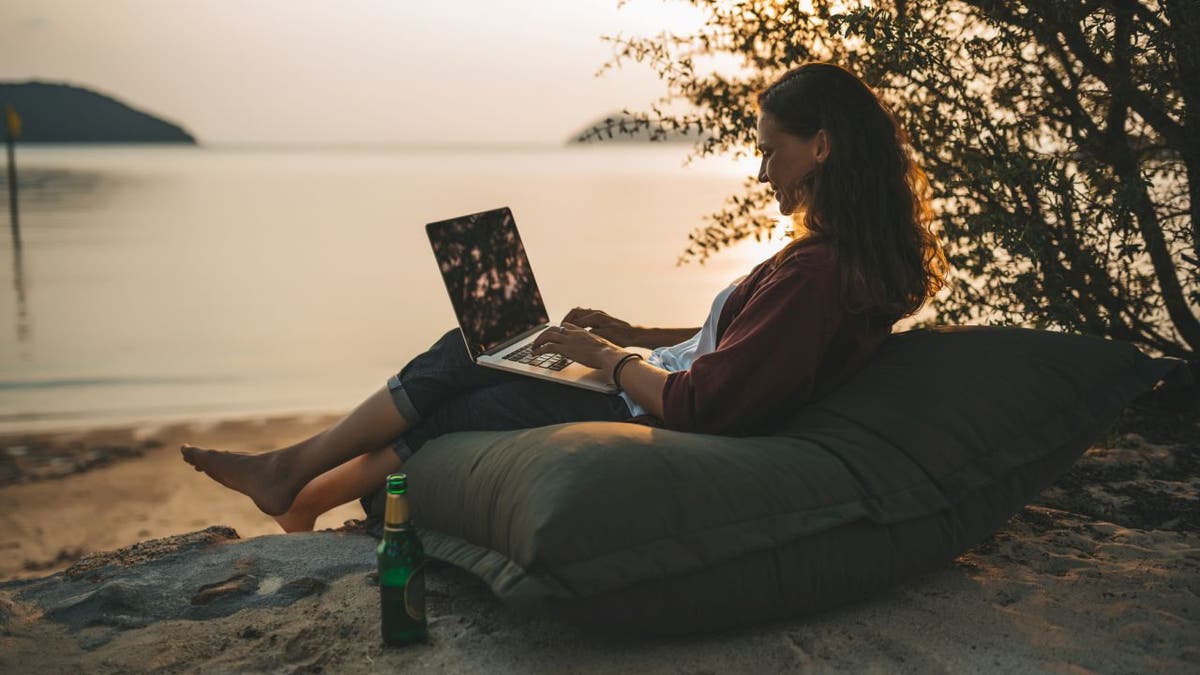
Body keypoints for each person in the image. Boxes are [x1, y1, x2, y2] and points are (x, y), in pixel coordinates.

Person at [181, 62, 948, 532]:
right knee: (490, 344)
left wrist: (607, 359)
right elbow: (741, 340)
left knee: (469, 382)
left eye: (769, 150)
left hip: (646, 407)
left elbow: (703, 400)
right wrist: (632, 329)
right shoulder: (831, 264)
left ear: (821, 145)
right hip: (648, 377)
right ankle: (301, 490)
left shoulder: (818, 275)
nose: (760, 172)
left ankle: (294, 478)